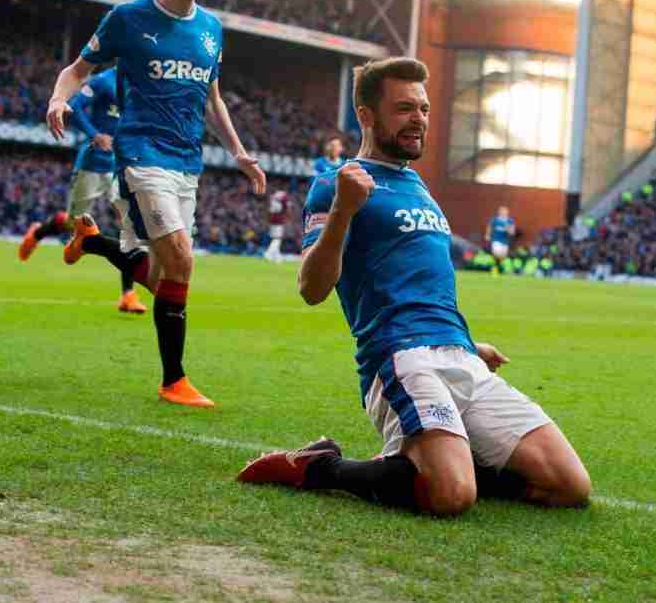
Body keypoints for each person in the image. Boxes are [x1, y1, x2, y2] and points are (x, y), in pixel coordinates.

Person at [238, 57, 590, 515]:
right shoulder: (336, 184)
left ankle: (444, 459)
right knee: (452, 497)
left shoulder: (418, 185)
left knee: (569, 486)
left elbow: (423, 281)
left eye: (423, 108)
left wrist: (464, 342)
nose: (419, 119)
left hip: (457, 354)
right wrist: (344, 210)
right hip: (399, 357)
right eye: (405, 108)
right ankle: (321, 466)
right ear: (366, 115)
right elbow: (311, 288)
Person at [45, 0, 266, 407]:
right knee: (183, 259)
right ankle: (174, 381)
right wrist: (59, 99)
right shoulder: (129, 18)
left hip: (188, 159)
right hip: (141, 153)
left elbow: (212, 98)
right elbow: (78, 69)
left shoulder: (211, 29)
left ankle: (94, 241)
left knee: (165, 277)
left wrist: (239, 152)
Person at [18, 66, 147, 315]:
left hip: (118, 165)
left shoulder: (139, 85)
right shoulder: (103, 81)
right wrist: (95, 134)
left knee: (127, 224)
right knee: (72, 224)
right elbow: (74, 107)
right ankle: (38, 233)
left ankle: (128, 295)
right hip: (92, 164)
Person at [485, 205, 516, 270]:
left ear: (507, 212)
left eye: (505, 211)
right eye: (502, 211)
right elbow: (489, 227)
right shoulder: (495, 220)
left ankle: (497, 266)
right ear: (499, 212)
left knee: (503, 255)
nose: (503, 212)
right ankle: (495, 266)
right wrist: (487, 235)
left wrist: (508, 229)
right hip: (496, 239)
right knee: (496, 252)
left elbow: (512, 232)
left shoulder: (510, 221)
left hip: (505, 241)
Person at [263, 189, 289, 263]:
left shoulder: (273, 196)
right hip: (279, 219)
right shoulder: (284, 195)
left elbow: (268, 208)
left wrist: (267, 220)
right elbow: (286, 208)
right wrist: (287, 218)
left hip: (272, 219)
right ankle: (268, 253)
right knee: (278, 238)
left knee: (275, 238)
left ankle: (276, 256)